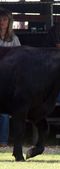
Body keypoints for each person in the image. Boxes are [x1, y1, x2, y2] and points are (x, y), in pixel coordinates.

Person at [0, 8, 21, 147]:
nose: (2, 22)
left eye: (5, 19)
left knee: (4, 112)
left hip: (7, 79)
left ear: (9, 22)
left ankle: (3, 141)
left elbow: (20, 58)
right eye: (0, 19)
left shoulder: (14, 39)